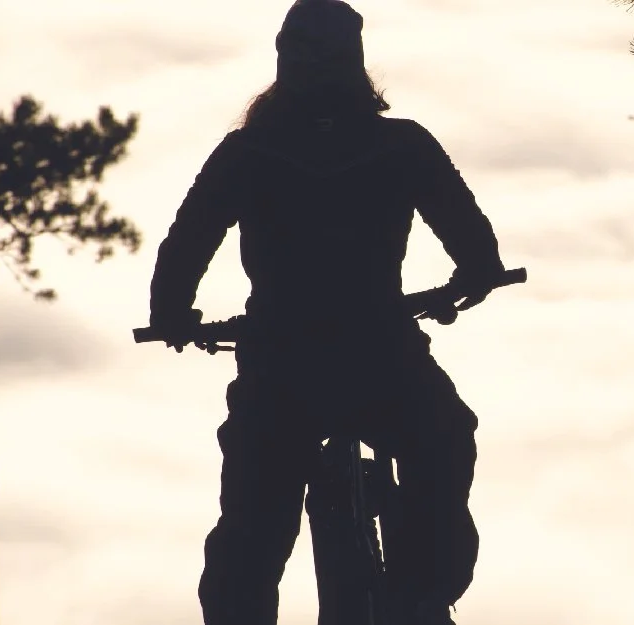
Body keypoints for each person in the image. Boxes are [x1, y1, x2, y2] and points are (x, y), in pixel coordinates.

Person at [145, 1, 508, 624]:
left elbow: (186, 243)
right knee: (443, 441)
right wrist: (474, 276)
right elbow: (474, 242)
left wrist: (173, 314)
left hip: (281, 364)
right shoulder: (402, 145)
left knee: (252, 526)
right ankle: (422, 596)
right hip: (382, 354)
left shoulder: (247, 152)